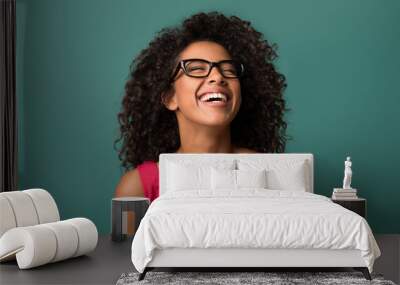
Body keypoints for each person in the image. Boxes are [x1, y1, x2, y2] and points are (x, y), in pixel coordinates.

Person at [114, 11, 288, 204]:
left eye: (229, 70)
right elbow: (125, 235)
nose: (218, 77)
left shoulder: (268, 171)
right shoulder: (137, 187)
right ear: (170, 98)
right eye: (196, 68)